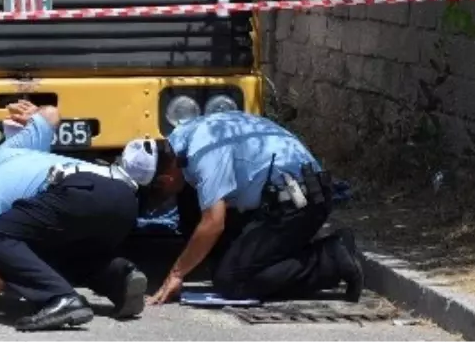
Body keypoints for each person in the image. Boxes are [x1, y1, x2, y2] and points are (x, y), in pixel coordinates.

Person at [0, 100, 156, 331]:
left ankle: (60, 299)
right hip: (125, 198)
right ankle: (119, 280)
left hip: (79, 194)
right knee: (44, 258)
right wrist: (34, 114)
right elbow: (51, 114)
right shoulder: (5, 152)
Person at [144, 110, 363, 306]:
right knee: (222, 253)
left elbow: (213, 222)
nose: (163, 200)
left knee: (231, 281)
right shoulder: (183, 136)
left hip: (300, 203)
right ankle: (250, 258)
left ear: (164, 179)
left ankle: (332, 258)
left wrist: (176, 273)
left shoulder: (202, 155)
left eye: (159, 192)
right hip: (287, 194)